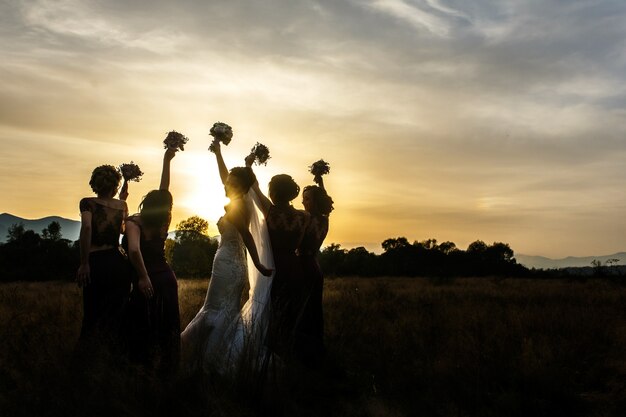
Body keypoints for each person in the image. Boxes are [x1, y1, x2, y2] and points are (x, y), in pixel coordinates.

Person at [181, 138, 272, 376]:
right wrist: (218, 153)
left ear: (241, 187)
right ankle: (210, 355)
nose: (225, 184)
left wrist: (260, 264)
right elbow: (224, 178)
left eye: (231, 183)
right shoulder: (238, 200)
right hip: (226, 262)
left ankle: (212, 360)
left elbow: (247, 237)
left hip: (230, 265)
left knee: (218, 309)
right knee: (217, 308)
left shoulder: (238, 206)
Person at [245, 156, 310, 360]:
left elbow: (253, 187)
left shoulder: (269, 210)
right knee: (292, 311)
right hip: (294, 266)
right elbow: (299, 242)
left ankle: (272, 352)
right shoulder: (304, 217)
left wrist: (248, 165)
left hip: (273, 265)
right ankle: (291, 351)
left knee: (271, 310)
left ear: (273, 192)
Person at [123, 147, 180, 377]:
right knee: (167, 325)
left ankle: (142, 367)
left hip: (147, 277)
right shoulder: (164, 220)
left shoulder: (135, 222)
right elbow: (164, 191)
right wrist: (167, 160)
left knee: (143, 324)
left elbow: (134, 250)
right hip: (166, 277)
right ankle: (168, 368)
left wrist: (143, 276)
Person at [76, 164, 131, 355]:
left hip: (96, 261)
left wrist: (84, 263)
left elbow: (87, 228)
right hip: (117, 262)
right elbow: (123, 230)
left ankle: (86, 358)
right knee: (116, 314)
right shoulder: (122, 205)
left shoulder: (87, 203)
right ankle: (114, 357)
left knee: (92, 314)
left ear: (95, 183)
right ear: (115, 186)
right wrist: (122, 201)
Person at [297, 174, 334, 364]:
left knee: (303, 310)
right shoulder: (324, 219)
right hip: (315, 268)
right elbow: (324, 198)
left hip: (303, 267)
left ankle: (305, 353)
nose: (303, 202)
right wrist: (320, 183)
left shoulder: (305, 219)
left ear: (315, 201)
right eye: (303, 199)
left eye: (307, 199)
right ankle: (316, 347)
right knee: (314, 310)